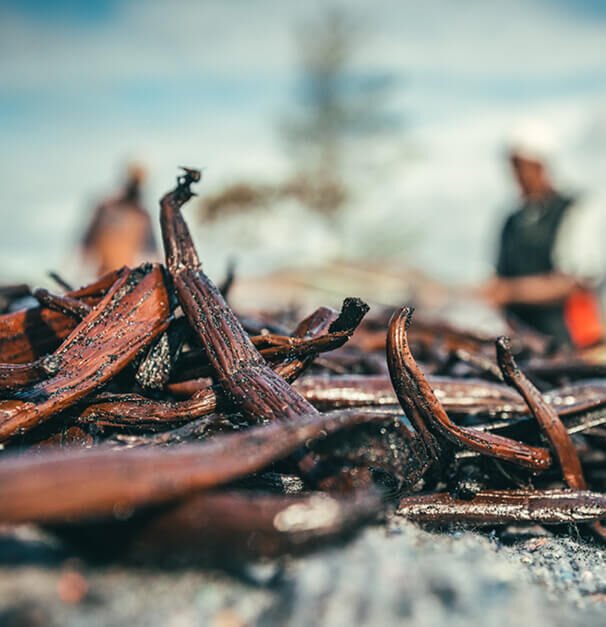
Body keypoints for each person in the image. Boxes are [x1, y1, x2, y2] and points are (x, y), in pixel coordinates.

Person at [480, 121, 605, 348]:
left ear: (539, 165)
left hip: (572, 342)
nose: (515, 175)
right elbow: (497, 279)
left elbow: (575, 281)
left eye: (520, 166)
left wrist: (510, 292)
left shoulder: (575, 210)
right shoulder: (511, 221)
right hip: (521, 342)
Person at [81, 164, 157, 277]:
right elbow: (85, 247)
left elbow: (153, 254)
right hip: (107, 277)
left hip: (123, 279)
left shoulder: (141, 215)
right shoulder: (106, 208)